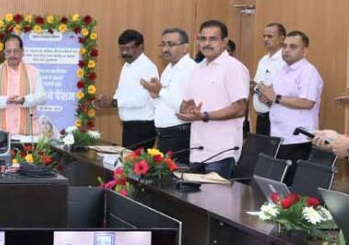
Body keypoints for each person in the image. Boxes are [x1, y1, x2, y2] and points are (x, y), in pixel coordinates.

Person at [178, 20, 249, 178]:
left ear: (224, 42)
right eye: (203, 39)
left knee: (215, 195)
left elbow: (240, 108)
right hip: (197, 149)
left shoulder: (233, 67)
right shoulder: (197, 68)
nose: (206, 44)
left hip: (222, 152)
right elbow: (187, 104)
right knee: (193, 194)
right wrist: (187, 110)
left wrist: (205, 115)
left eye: (213, 39)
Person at [256, 31, 323, 184]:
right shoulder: (283, 71)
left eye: (293, 47)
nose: (286, 50)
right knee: (278, 184)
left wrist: (276, 98)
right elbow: (276, 99)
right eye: (285, 46)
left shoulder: (308, 71)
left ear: (304, 51)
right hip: (279, 137)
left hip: (298, 139)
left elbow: (307, 102)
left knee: (290, 185)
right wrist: (267, 98)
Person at [96, 29, 159, 149]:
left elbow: (141, 100)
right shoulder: (127, 65)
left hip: (142, 127)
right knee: (127, 159)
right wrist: (107, 102)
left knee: (135, 160)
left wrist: (114, 102)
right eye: (122, 49)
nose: (124, 53)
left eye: (129, 48)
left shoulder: (147, 67)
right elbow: (121, 91)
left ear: (140, 47)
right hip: (130, 126)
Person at [141, 27, 196, 164]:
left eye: (171, 44)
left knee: (175, 174)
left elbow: (184, 107)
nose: (165, 49)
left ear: (185, 47)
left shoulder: (190, 68)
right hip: (165, 134)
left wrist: (160, 91)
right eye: (163, 44)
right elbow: (165, 102)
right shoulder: (169, 68)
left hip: (180, 134)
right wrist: (155, 96)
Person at [0, 35, 46, 137]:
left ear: (22, 51)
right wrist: (5, 100)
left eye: (15, 51)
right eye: (9, 51)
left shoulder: (33, 72)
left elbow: (42, 97)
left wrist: (25, 100)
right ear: (4, 53)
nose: (12, 54)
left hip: (28, 134)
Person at [250, 23, 287, 136]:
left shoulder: (285, 61)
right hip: (261, 117)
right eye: (264, 36)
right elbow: (257, 85)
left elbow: (284, 89)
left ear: (282, 38)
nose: (265, 39)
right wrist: (254, 87)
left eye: (270, 36)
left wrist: (265, 93)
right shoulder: (263, 60)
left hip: (277, 117)